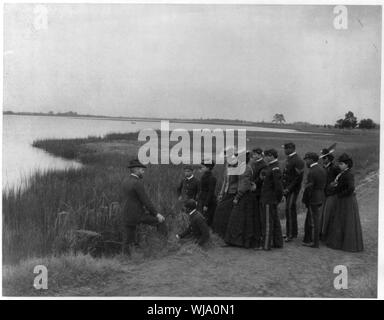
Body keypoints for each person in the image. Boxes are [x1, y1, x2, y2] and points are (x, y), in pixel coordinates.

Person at [120, 159, 165, 255]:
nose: (143, 171)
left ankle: (125, 259)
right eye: (142, 170)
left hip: (126, 214)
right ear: (136, 170)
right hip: (137, 215)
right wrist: (157, 214)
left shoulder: (125, 181)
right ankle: (164, 245)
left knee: (127, 240)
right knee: (161, 221)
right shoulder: (137, 183)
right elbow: (146, 201)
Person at [326, 153, 364, 252]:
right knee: (341, 219)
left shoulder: (348, 174)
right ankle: (340, 242)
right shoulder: (343, 173)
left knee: (345, 220)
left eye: (342, 164)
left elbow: (351, 188)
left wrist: (341, 194)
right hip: (343, 199)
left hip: (346, 200)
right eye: (339, 164)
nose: (340, 165)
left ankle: (346, 243)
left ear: (347, 164)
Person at [224, 151, 260, 248]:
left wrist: (237, 197)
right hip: (245, 195)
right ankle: (242, 241)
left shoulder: (245, 168)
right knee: (242, 219)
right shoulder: (245, 167)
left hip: (244, 196)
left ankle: (240, 241)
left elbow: (244, 185)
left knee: (238, 218)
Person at [260, 149, 284, 250]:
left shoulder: (275, 168)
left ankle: (266, 245)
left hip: (269, 199)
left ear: (271, 156)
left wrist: (278, 198)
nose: (264, 158)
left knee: (268, 222)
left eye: (265, 156)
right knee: (275, 221)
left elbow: (278, 186)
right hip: (270, 198)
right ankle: (278, 243)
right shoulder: (272, 166)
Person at [302, 152, 327, 248]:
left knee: (313, 221)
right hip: (321, 196)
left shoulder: (312, 171)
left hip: (313, 198)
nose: (306, 162)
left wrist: (306, 199)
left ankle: (314, 242)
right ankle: (313, 240)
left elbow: (309, 188)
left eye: (307, 159)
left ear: (311, 159)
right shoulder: (321, 169)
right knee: (316, 219)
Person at [282, 142, 305, 242]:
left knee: (289, 209)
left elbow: (297, 178)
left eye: (286, 148)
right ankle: (292, 232)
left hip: (293, 190)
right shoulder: (290, 158)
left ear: (291, 148)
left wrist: (288, 188)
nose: (284, 150)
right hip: (288, 188)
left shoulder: (298, 160)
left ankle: (290, 234)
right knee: (291, 210)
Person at [212, 153, 239, 238]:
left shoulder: (238, 169)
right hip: (226, 192)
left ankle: (225, 234)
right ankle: (219, 233)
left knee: (225, 212)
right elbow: (225, 181)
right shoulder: (227, 167)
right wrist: (221, 193)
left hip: (233, 193)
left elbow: (239, 182)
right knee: (220, 211)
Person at [319, 148, 340, 241]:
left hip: (331, 194)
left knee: (329, 214)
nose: (322, 160)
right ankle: (321, 233)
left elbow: (339, 180)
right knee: (322, 214)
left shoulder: (335, 168)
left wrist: (333, 187)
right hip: (324, 193)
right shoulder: (324, 167)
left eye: (324, 158)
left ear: (328, 158)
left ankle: (327, 235)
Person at [250, 148, 267, 249]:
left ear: (260, 154)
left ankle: (259, 236)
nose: (254, 156)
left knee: (258, 214)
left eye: (255, 154)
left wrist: (253, 183)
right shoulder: (256, 163)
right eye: (253, 154)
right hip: (255, 190)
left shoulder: (262, 165)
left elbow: (260, 178)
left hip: (258, 191)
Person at [197, 159, 217, 227]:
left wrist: (206, 204)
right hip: (203, 199)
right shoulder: (204, 176)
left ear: (208, 168)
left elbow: (210, 192)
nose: (201, 168)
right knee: (202, 216)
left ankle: (208, 233)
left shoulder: (212, 178)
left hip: (209, 201)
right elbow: (202, 190)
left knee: (207, 218)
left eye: (203, 167)